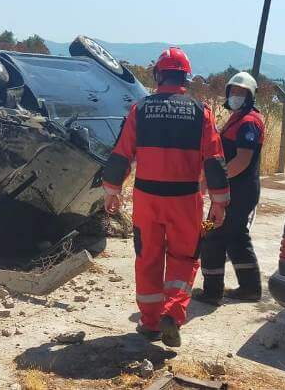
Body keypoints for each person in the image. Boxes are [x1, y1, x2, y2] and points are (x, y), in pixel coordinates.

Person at [101, 47, 229, 348]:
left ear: (159, 75)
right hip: (186, 200)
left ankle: (149, 324)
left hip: (147, 199)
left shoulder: (140, 109)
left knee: (148, 257)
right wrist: (219, 202)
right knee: (185, 258)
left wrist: (112, 190)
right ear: (185, 76)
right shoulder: (202, 112)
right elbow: (214, 161)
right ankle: (172, 312)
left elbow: (121, 154)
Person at [193, 72, 266, 305]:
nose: (235, 95)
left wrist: (217, 181)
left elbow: (242, 160)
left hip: (239, 190)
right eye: (233, 91)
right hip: (232, 190)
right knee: (236, 237)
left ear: (250, 96)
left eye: (241, 93)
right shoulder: (238, 118)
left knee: (212, 236)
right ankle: (250, 288)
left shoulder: (249, 122)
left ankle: (212, 292)